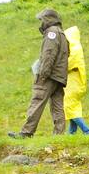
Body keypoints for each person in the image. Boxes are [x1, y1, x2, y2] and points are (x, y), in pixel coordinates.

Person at [9, 8, 69, 138]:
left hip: (49, 75)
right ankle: (59, 135)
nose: (40, 22)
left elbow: (49, 54)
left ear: (48, 19)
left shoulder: (51, 33)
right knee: (57, 106)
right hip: (59, 77)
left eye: (41, 19)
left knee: (37, 101)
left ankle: (26, 132)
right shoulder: (62, 34)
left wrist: (43, 74)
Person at [63, 25, 89, 134]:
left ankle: (87, 131)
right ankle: (72, 133)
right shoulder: (75, 48)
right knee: (73, 107)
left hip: (74, 82)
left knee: (68, 105)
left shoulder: (75, 49)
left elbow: (68, 64)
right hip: (74, 81)